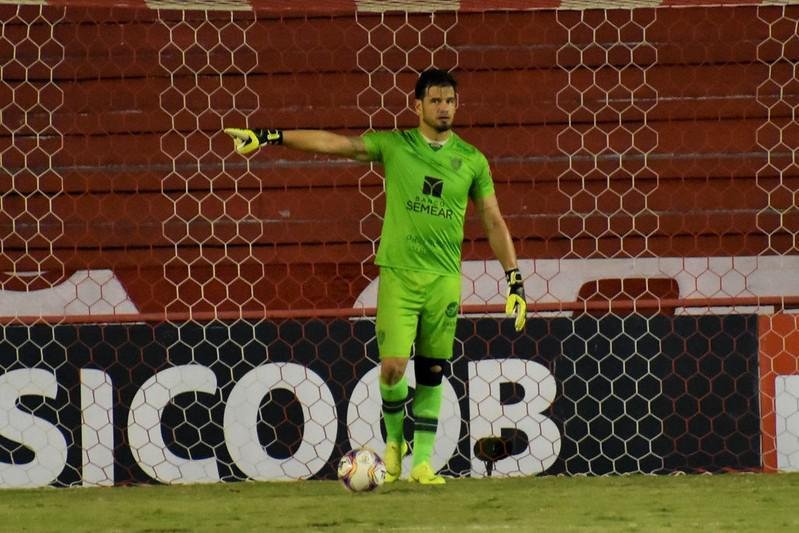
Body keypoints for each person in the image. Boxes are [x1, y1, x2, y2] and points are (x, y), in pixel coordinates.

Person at [224, 68, 526, 485]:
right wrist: (272, 136)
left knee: (433, 371)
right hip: (400, 275)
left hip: (443, 278)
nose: (444, 107)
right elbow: (337, 145)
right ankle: (393, 444)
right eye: (435, 100)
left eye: (450, 100)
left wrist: (513, 278)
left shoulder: (472, 160)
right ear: (416, 105)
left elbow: (492, 219)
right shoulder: (395, 145)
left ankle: (421, 464)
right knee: (392, 368)